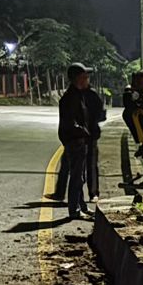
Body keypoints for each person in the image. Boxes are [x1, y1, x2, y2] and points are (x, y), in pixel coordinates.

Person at [52, 63, 105, 216]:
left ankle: (81, 206)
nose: (87, 79)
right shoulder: (71, 98)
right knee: (76, 177)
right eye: (84, 77)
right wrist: (83, 132)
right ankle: (74, 209)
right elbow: (70, 122)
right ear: (78, 79)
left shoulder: (79, 95)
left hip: (79, 140)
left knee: (79, 176)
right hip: (75, 141)